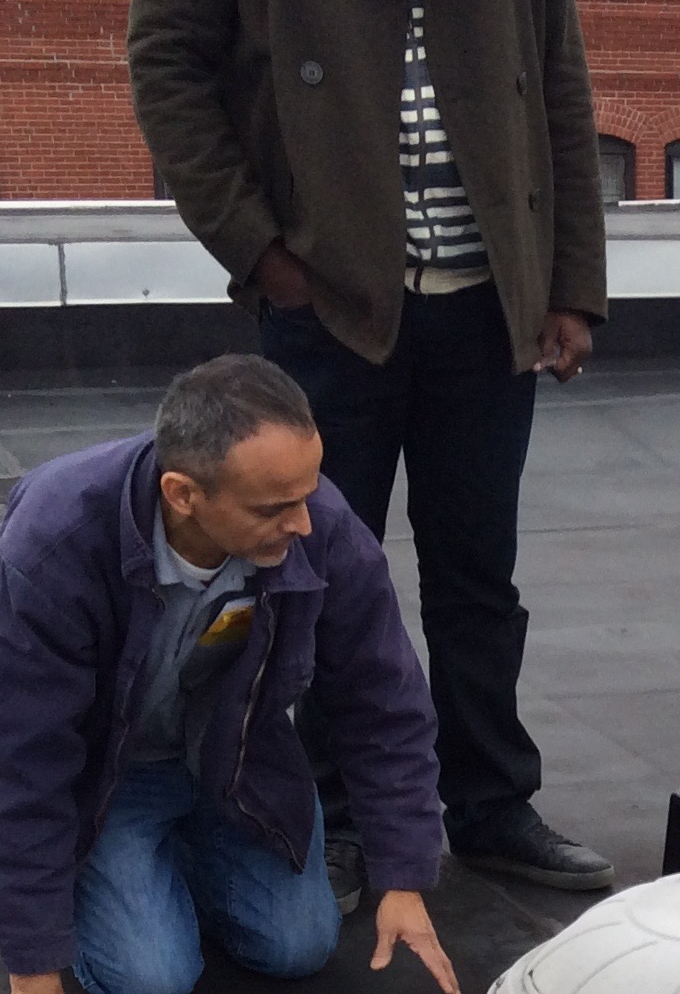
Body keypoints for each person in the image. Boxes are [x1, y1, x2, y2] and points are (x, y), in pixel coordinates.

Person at [127, 0, 614, 904]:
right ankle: (333, 817)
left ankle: (491, 803)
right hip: (331, 297)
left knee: (478, 575)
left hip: (489, 299)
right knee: (309, 572)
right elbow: (166, 62)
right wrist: (258, 247)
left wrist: (571, 281)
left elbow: (557, 84)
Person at [0, 356, 460, 994]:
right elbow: (15, 766)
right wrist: (34, 976)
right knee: (151, 983)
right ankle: (124, 866)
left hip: (237, 761)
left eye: (308, 491)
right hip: (111, 779)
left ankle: (171, 864)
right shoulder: (56, 544)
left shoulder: (319, 526)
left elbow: (385, 702)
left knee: (300, 947)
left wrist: (403, 874)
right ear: (183, 494)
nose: (303, 521)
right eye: (272, 508)